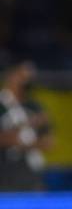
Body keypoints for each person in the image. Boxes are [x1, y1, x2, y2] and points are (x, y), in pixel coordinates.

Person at [0, 60, 53, 191]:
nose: (25, 82)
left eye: (28, 78)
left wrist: (23, 144)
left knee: (36, 207)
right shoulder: (2, 105)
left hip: (31, 171)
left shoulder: (34, 107)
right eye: (21, 76)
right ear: (10, 76)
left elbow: (49, 142)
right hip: (4, 171)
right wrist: (28, 124)